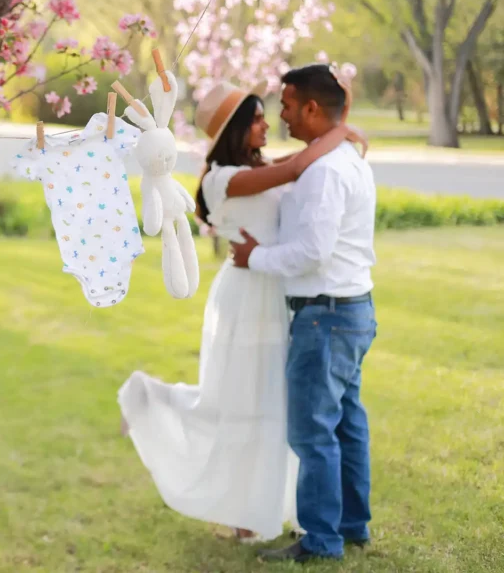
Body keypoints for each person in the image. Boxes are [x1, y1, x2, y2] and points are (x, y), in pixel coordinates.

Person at [118, 76, 367, 544]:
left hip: (273, 295)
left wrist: (338, 127)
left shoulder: (260, 166)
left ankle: (275, 505)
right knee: (238, 406)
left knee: (273, 405)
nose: (266, 122)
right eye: (255, 118)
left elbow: (296, 164)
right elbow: (295, 171)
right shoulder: (223, 179)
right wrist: (342, 132)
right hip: (244, 299)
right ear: (235, 128)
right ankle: (149, 400)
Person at [230, 64, 377, 563]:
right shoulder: (340, 159)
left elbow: (312, 251)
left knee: (313, 431)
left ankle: (321, 541)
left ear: (312, 109)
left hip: (325, 315)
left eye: (288, 105)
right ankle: (352, 524)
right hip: (350, 310)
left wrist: (255, 258)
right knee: (345, 424)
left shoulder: (326, 171)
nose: (283, 115)